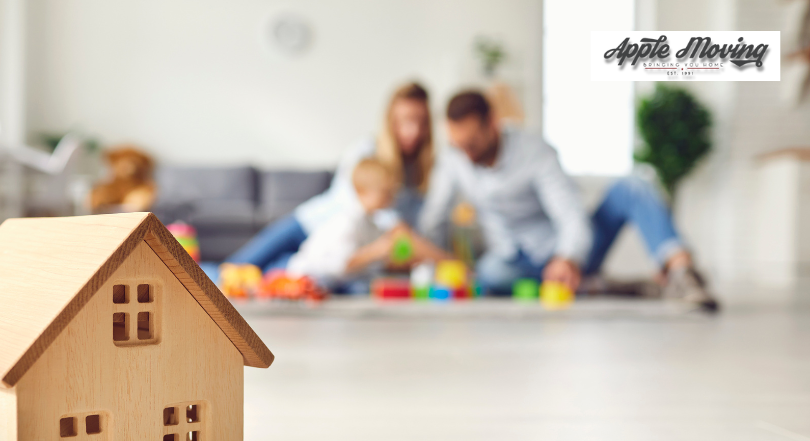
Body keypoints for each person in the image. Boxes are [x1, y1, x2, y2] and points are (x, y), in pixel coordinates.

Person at [419, 90, 718, 311]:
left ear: (493, 124)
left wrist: (567, 256)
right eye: (459, 146)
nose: (466, 154)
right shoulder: (454, 160)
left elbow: (569, 212)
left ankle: (682, 273)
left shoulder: (534, 152)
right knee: (491, 274)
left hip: (567, 251)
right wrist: (429, 265)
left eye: (472, 144)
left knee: (634, 185)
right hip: (513, 261)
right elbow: (434, 218)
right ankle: (595, 286)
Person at [226, 81, 435, 270]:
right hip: (308, 225)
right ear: (390, 121)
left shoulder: (421, 172)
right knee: (234, 270)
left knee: (267, 279)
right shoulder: (365, 151)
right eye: (406, 121)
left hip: (332, 253)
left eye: (421, 122)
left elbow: (410, 230)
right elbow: (374, 212)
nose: (413, 131)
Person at [287, 158, 450, 293]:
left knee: (374, 284)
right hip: (307, 277)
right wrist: (377, 251)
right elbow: (342, 264)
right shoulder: (347, 222)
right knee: (362, 289)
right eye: (385, 192)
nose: (391, 198)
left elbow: (375, 262)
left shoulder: (372, 223)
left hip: (337, 281)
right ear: (362, 191)